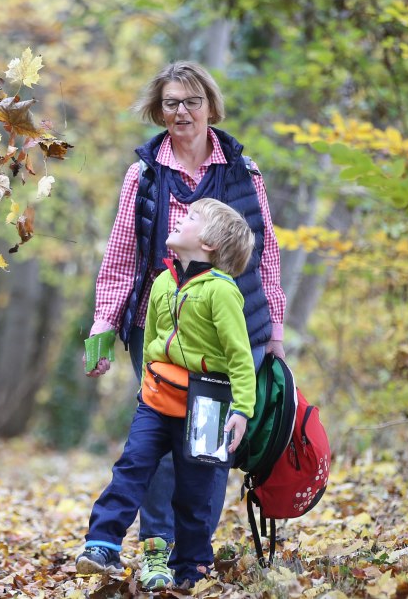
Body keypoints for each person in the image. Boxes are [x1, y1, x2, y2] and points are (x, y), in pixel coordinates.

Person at [84, 61, 287, 588]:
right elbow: (122, 255)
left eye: (192, 101)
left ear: (210, 108)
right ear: (159, 110)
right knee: (154, 442)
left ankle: (191, 556)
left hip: (229, 329)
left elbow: (268, 257)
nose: (182, 111)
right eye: (171, 102)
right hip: (161, 322)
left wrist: (277, 331)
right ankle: (155, 550)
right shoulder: (145, 173)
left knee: (205, 448)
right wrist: (104, 324)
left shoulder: (246, 171)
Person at [78, 198, 258, 590]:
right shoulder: (163, 281)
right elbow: (154, 342)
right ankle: (102, 543)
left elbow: (240, 357)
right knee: (132, 466)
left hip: (207, 404)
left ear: (209, 243)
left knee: (196, 491)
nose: (180, 217)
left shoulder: (221, 292)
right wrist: (146, 388)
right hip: (157, 401)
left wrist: (242, 409)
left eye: (192, 217)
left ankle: (191, 566)